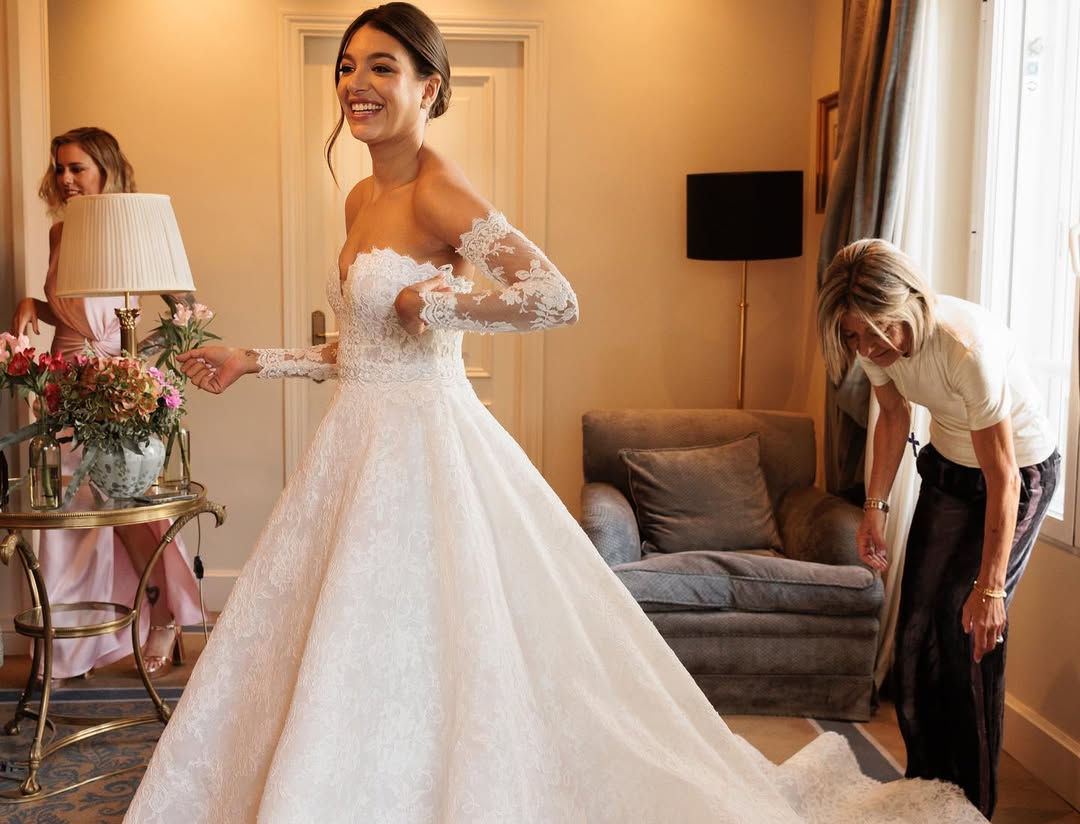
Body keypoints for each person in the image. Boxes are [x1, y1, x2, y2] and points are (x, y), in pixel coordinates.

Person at [124, 6, 985, 822]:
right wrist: (253, 360)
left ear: (429, 86)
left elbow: (554, 298)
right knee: (358, 642)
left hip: (426, 450)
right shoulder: (358, 199)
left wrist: (441, 305)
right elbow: (362, 352)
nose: (357, 82)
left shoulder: (439, 190)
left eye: (382, 67)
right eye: (348, 66)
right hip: (355, 447)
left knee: (437, 638)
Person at [817, 238, 1059, 818]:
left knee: (969, 625)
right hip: (950, 465)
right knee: (918, 623)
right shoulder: (870, 337)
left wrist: (991, 589)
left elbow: (1004, 478)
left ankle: (971, 805)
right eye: (853, 336)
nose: (868, 347)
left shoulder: (963, 349)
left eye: (878, 332)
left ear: (909, 303)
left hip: (1018, 474)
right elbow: (893, 415)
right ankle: (926, 790)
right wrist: (875, 507)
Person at [11, 126, 203, 682]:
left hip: (116, 391)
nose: (66, 178)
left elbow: (187, 306)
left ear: (106, 169)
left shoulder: (131, 225)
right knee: (70, 522)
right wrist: (33, 304)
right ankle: (69, 648)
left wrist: (141, 360)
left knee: (132, 515)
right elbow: (72, 309)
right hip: (62, 388)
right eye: (60, 168)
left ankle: (166, 617)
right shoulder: (59, 233)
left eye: (78, 168)